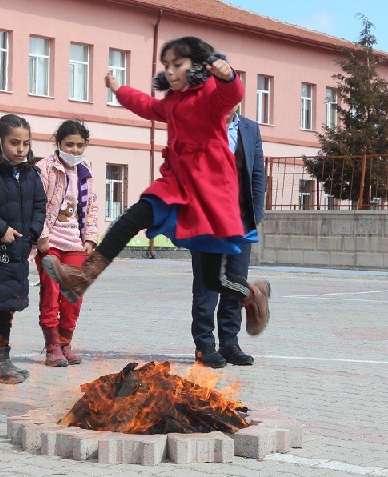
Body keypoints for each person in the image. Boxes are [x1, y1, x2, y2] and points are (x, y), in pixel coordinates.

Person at [41, 36, 270, 334]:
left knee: (214, 280)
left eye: (177, 65)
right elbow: (146, 105)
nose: (170, 71)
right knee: (132, 217)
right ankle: (83, 277)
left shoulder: (210, 94)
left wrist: (229, 77)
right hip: (176, 183)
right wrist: (118, 90)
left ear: (197, 65)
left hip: (209, 192)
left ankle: (253, 294)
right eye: (166, 65)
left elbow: (231, 95)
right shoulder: (173, 100)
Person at [0, 114, 46, 383]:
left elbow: (40, 206)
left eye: (25, 144)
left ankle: (2, 359)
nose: (20, 149)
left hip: (17, 253)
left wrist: (32, 233)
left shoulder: (29, 174)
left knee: (7, 308)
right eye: (14, 143)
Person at [192, 110, 266, 367]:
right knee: (207, 285)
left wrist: (256, 216)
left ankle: (230, 343)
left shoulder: (250, 129)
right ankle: (204, 345)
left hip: (240, 220)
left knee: (235, 281)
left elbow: (257, 173)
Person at [35, 120, 99, 367]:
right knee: (51, 294)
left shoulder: (86, 170)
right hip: (50, 243)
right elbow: (37, 205)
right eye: (69, 144)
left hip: (75, 244)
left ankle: (65, 342)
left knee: (73, 296)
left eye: (79, 145)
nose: (74, 150)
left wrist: (90, 238)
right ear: (58, 144)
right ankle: (52, 346)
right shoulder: (44, 168)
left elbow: (91, 206)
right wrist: (42, 237)